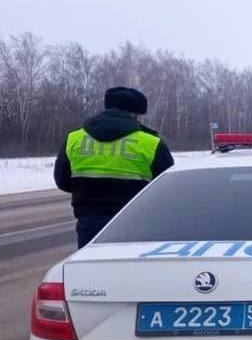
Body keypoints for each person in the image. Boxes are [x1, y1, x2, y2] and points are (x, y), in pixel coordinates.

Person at [54, 86, 174, 248]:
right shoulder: (150, 143)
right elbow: (166, 188)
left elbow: (63, 181)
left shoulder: (74, 138)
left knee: (91, 270)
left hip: (89, 224)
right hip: (135, 223)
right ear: (135, 114)